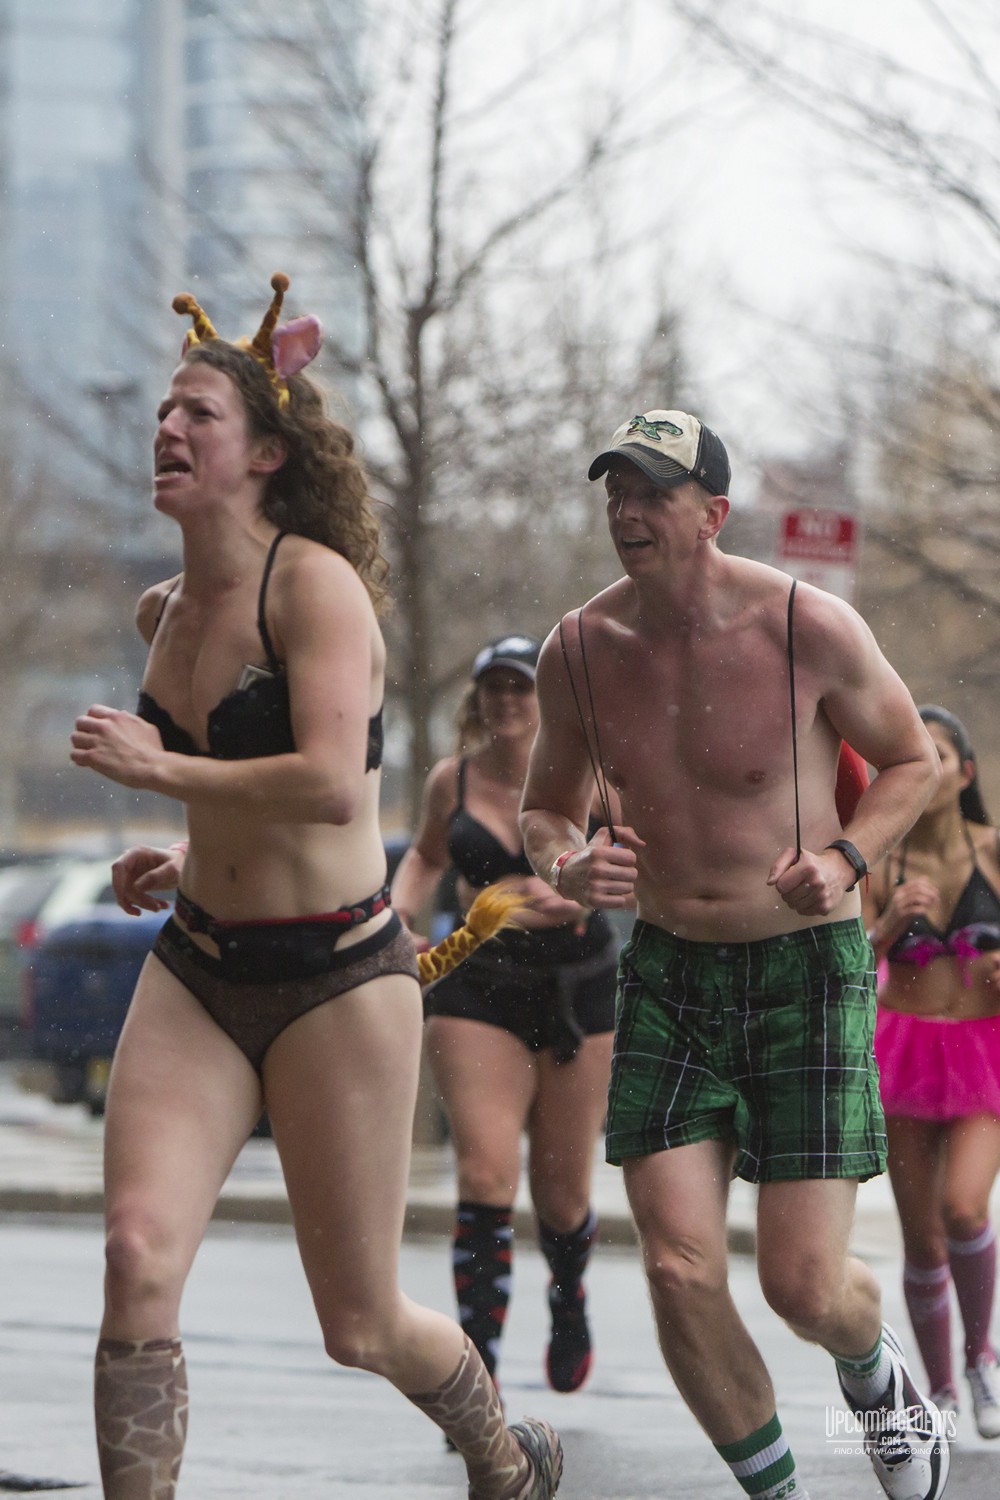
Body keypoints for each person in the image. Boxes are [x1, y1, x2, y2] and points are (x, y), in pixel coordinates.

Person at [69, 274, 561, 1500]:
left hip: (340, 979)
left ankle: (502, 1455)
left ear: (268, 452)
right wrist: (190, 851)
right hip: (197, 968)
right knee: (135, 1255)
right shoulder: (164, 608)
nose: (168, 430)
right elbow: (245, 788)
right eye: (164, 414)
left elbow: (337, 788)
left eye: (200, 415)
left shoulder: (314, 586)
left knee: (359, 1323)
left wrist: (160, 766)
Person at [518, 408, 950, 1500]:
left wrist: (846, 858)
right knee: (673, 1265)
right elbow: (543, 811)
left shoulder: (806, 625)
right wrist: (569, 866)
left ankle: (872, 1370)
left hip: (804, 968)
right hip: (667, 971)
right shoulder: (578, 648)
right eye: (615, 490)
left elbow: (912, 762)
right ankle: (777, 1490)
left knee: (804, 1287)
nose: (626, 511)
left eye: (652, 492)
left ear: (711, 513)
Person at [390, 635, 617, 1401]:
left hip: (578, 983)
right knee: (485, 1169)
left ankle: (569, 1298)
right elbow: (425, 856)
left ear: (546, 697)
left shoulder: (589, 776)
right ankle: (478, 1362)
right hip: (477, 982)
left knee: (563, 1194)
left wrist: (583, 885)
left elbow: (635, 857)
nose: (509, 701)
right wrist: (397, 916)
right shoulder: (451, 781)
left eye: (523, 687)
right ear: (479, 697)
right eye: (495, 686)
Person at [865, 704, 1000, 1439]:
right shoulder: (882, 859)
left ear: (965, 772)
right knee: (922, 1240)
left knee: (963, 1209)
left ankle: (981, 1359)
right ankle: (942, 1391)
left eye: (939, 753)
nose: (926, 764)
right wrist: (888, 928)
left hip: (986, 1050)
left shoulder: (994, 848)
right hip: (906, 1050)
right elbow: (846, 957)